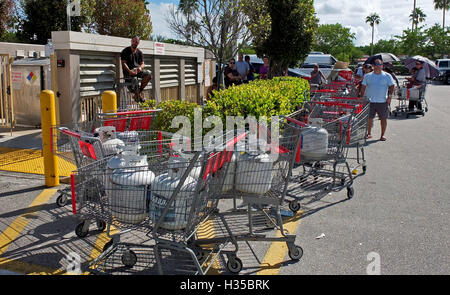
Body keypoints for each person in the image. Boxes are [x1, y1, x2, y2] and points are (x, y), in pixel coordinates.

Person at [359, 59, 395, 142]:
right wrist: (362, 97)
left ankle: (382, 135)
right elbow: (363, 87)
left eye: (379, 65)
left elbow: (392, 86)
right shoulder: (368, 76)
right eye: (376, 65)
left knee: (383, 118)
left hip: (382, 101)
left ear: (382, 66)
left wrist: (389, 96)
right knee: (369, 118)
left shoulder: (387, 76)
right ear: (373, 66)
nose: (378, 67)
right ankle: (369, 133)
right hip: (369, 101)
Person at [121, 36, 152, 102]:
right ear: (131, 41)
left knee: (148, 74)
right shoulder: (125, 51)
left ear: (138, 43)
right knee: (134, 80)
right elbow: (123, 63)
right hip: (128, 73)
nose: (135, 43)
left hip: (137, 71)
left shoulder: (139, 52)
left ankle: (137, 94)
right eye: (134, 41)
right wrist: (129, 71)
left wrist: (140, 68)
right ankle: (139, 96)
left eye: (136, 42)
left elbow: (143, 63)